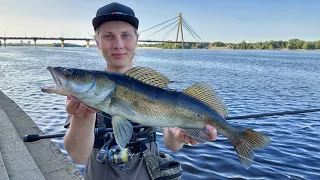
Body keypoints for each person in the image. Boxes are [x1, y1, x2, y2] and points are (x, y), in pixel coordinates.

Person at [63, 2, 217, 180]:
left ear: (137, 39)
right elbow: (78, 156)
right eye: (108, 36)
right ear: (97, 42)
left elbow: (172, 144)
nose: (118, 44)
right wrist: (84, 116)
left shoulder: (155, 88)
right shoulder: (84, 91)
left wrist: (180, 134)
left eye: (125, 35)